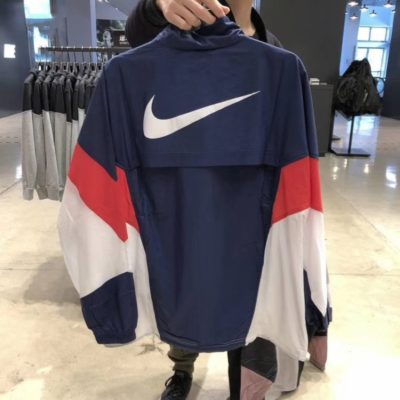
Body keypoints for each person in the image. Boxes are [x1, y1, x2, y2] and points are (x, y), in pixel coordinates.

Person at [124, 2, 283, 399]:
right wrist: (160, 4)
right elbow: (137, 31)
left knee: (248, 298)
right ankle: (182, 370)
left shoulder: (274, 51)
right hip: (184, 193)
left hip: (246, 200)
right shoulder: (184, 22)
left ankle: (244, 386)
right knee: (186, 285)